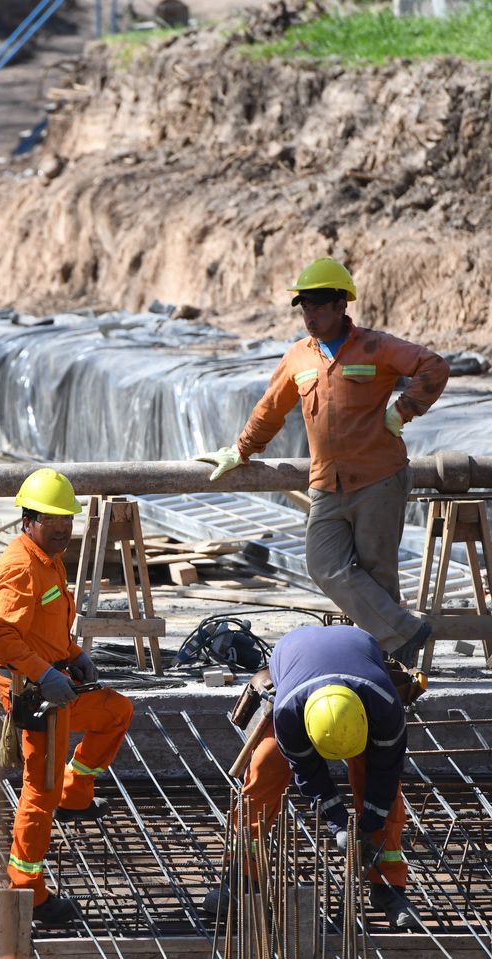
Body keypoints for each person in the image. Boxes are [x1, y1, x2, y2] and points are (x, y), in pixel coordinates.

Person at [196, 258, 449, 666]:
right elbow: (270, 409)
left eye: (317, 306)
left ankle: (387, 667)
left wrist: (403, 410)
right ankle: (405, 633)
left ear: (340, 306)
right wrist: (240, 449)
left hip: (379, 478)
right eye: (304, 307)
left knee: (377, 573)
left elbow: (434, 367)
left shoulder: (376, 346)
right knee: (323, 563)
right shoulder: (299, 357)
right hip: (327, 484)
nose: (309, 315)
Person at [0, 468, 134, 927]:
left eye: (68, 519)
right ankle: (26, 887)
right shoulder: (20, 566)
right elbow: (1, 637)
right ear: (28, 520)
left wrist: (73, 654)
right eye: (53, 520)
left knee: (116, 711)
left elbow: (47, 627)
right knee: (39, 788)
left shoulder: (49, 559)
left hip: (53, 681)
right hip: (32, 693)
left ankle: (76, 795)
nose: (64, 528)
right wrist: (44, 672)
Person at [201, 624, 419, 930]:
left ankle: (387, 885)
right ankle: (241, 878)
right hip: (296, 667)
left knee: (384, 788)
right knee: (265, 766)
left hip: (355, 669)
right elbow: (309, 775)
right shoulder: (289, 712)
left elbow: (386, 771)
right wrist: (338, 822)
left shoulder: (384, 705)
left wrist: (369, 823)